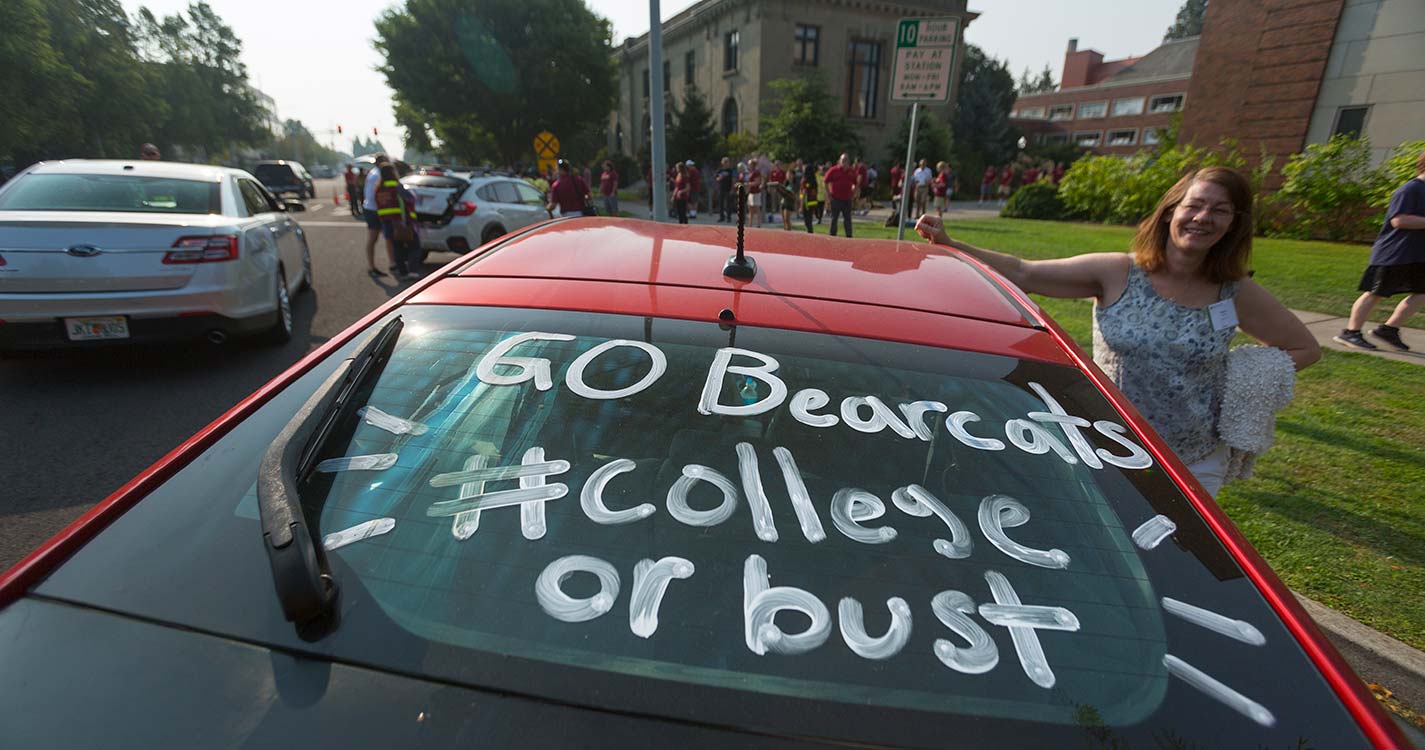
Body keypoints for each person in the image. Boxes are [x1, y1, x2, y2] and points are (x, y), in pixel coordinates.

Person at [914, 166, 1320, 497]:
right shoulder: (1118, 272)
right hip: (1107, 447)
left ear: (1233, 224)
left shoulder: (1236, 293)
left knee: (1176, 567)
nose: (1203, 218)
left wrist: (1244, 379)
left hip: (1194, 461)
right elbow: (1025, 272)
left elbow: (1304, 348)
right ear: (1170, 212)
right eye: (1194, 205)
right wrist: (953, 243)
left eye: (1220, 210)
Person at [1334, 150, 1425, 351]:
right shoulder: (1410, 189)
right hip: (1396, 253)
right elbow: (1399, 220)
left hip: (1419, 255)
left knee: (1422, 292)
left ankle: (1388, 330)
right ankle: (1350, 332)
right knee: (1376, 293)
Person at [374, 163, 422, 281]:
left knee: (397, 247)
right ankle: (413, 271)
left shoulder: (379, 188)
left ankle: (402, 272)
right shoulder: (396, 186)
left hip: (386, 223)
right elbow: (410, 199)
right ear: (393, 173)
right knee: (414, 246)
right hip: (401, 222)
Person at [362, 155, 395, 278]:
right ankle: (373, 266)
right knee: (377, 237)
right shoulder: (378, 175)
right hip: (375, 210)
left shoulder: (373, 173)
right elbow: (372, 195)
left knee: (387, 236)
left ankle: (391, 263)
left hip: (372, 208)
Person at [823, 153, 858, 238]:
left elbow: (856, 183)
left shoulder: (851, 171)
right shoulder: (833, 170)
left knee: (848, 219)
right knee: (834, 218)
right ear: (839, 161)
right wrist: (828, 195)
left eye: (846, 160)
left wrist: (853, 193)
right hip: (835, 199)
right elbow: (825, 182)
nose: (844, 162)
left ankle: (849, 236)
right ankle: (832, 236)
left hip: (847, 199)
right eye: (843, 160)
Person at [768, 159, 792, 231]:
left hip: (780, 190)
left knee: (780, 202)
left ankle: (780, 215)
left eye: (778, 164)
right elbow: (770, 180)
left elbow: (785, 181)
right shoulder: (773, 172)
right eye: (776, 164)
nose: (777, 166)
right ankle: (774, 214)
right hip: (774, 189)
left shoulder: (782, 172)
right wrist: (769, 188)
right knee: (773, 202)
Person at [800, 162, 820, 234]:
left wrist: (801, 204)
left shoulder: (805, 181)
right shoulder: (814, 180)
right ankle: (810, 232)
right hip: (813, 202)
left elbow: (804, 192)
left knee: (807, 221)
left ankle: (810, 235)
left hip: (806, 202)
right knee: (809, 219)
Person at [715, 158, 735, 223]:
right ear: (722, 163)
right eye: (724, 162)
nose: (726, 163)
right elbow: (716, 178)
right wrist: (719, 178)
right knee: (721, 204)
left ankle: (729, 217)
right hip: (721, 188)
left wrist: (732, 189)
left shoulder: (730, 171)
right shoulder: (719, 170)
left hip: (728, 188)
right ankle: (721, 217)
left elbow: (733, 180)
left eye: (727, 162)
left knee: (728, 204)